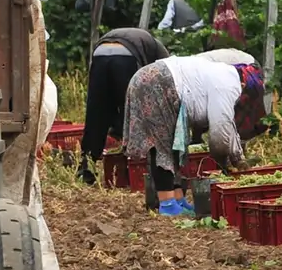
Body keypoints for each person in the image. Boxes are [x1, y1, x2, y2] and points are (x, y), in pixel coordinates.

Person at [123, 55, 267, 216]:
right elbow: (220, 130)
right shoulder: (229, 85)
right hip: (157, 83)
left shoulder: (226, 75)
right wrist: (224, 163)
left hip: (156, 78)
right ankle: (167, 204)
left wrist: (237, 158)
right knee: (162, 146)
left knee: (175, 145)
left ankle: (178, 199)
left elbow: (228, 125)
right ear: (245, 86)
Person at [77, 27, 170, 185]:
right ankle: (134, 166)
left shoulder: (143, 40)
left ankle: (86, 168)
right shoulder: (159, 51)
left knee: (96, 113)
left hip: (99, 53)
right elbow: (164, 76)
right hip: (126, 56)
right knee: (133, 110)